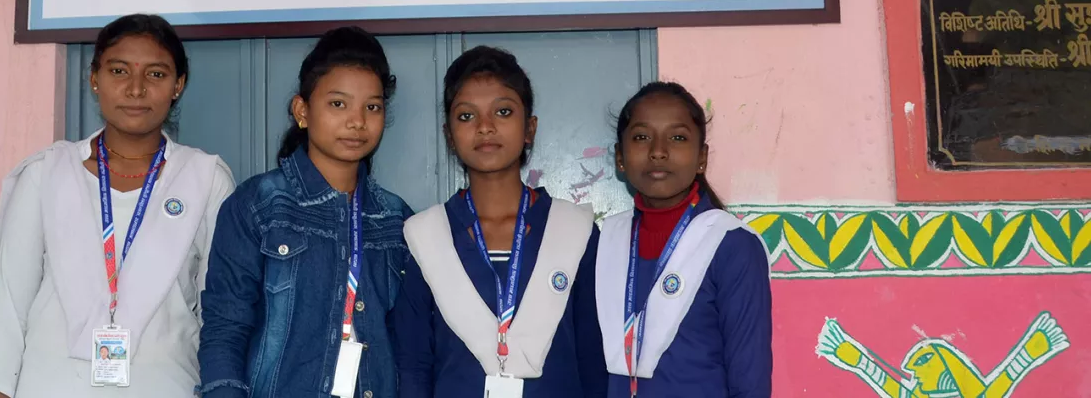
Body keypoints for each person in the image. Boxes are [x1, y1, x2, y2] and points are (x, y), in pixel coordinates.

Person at [0, 14, 235, 397]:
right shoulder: (46, 174)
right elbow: (8, 314)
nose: (136, 89)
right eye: (119, 71)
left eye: (156, 75)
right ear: (94, 78)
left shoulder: (206, 179)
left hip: (165, 386)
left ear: (178, 85)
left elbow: (222, 317)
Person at [198, 27, 412, 398]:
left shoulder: (395, 219)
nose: (357, 121)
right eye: (338, 104)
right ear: (302, 110)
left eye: (372, 107)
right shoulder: (259, 204)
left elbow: (409, 345)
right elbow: (225, 327)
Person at [393, 45, 607, 398]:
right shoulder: (426, 235)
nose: (485, 127)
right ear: (449, 135)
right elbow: (415, 362)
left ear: (529, 128)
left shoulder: (574, 229)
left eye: (503, 111)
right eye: (466, 117)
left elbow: (593, 357)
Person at [595, 81, 772, 398]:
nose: (658, 151)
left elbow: (750, 382)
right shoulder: (604, 240)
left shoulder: (731, 245)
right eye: (641, 137)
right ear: (620, 158)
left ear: (701, 157)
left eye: (677, 138)